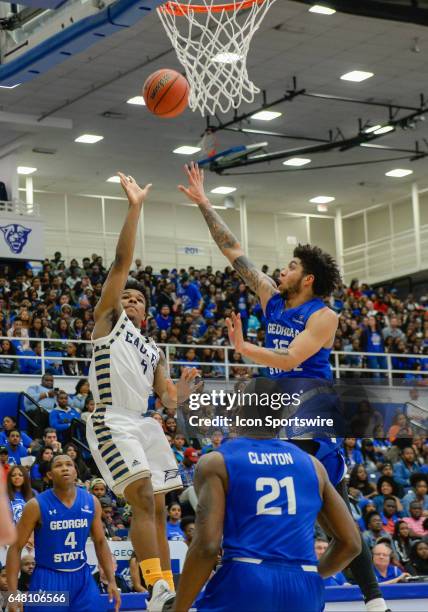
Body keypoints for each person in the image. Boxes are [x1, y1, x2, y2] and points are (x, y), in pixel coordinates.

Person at [178, 163, 389, 611]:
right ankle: (242, 561)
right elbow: (235, 254)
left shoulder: (323, 315)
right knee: (237, 469)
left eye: (292, 265)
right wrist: (206, 205)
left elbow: (292, 360)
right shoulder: (272, 297)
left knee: (340, 510)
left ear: (307, 278)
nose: (283, 269)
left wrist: (244, 347)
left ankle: (373, 599)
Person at [85, 172, 198, 609]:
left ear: (147, 313)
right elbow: (120, 264)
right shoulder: (108, 323)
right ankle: (155, 588)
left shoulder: (156, 348)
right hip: (112, 418)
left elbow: (168, 400)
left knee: (160, 505)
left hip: (146, 423)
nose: (130, 300)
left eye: (138, 300)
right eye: (126, 296)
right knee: (143, 501)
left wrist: (182, 393)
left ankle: (168, 589)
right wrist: (135, 208)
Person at [172, 378, 361, 612]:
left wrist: (178, 608)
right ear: (283, 416)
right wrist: (309, 574)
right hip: (304, 587)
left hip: (245, 579)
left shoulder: (216, 462)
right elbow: (351, 543)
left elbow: (207, 547)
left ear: (239, 410)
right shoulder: (314, 466)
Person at [6, 454, 121, 612]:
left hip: (82, 578)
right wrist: (13, 595)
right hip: (48, 579)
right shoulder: (35, 505)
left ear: (75, 472)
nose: (65, 468)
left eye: (69, 464)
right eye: (58, 465)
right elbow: (15, 547)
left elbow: (100, 541)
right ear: (50, 475)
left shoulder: (91, 502)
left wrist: (111, 581)